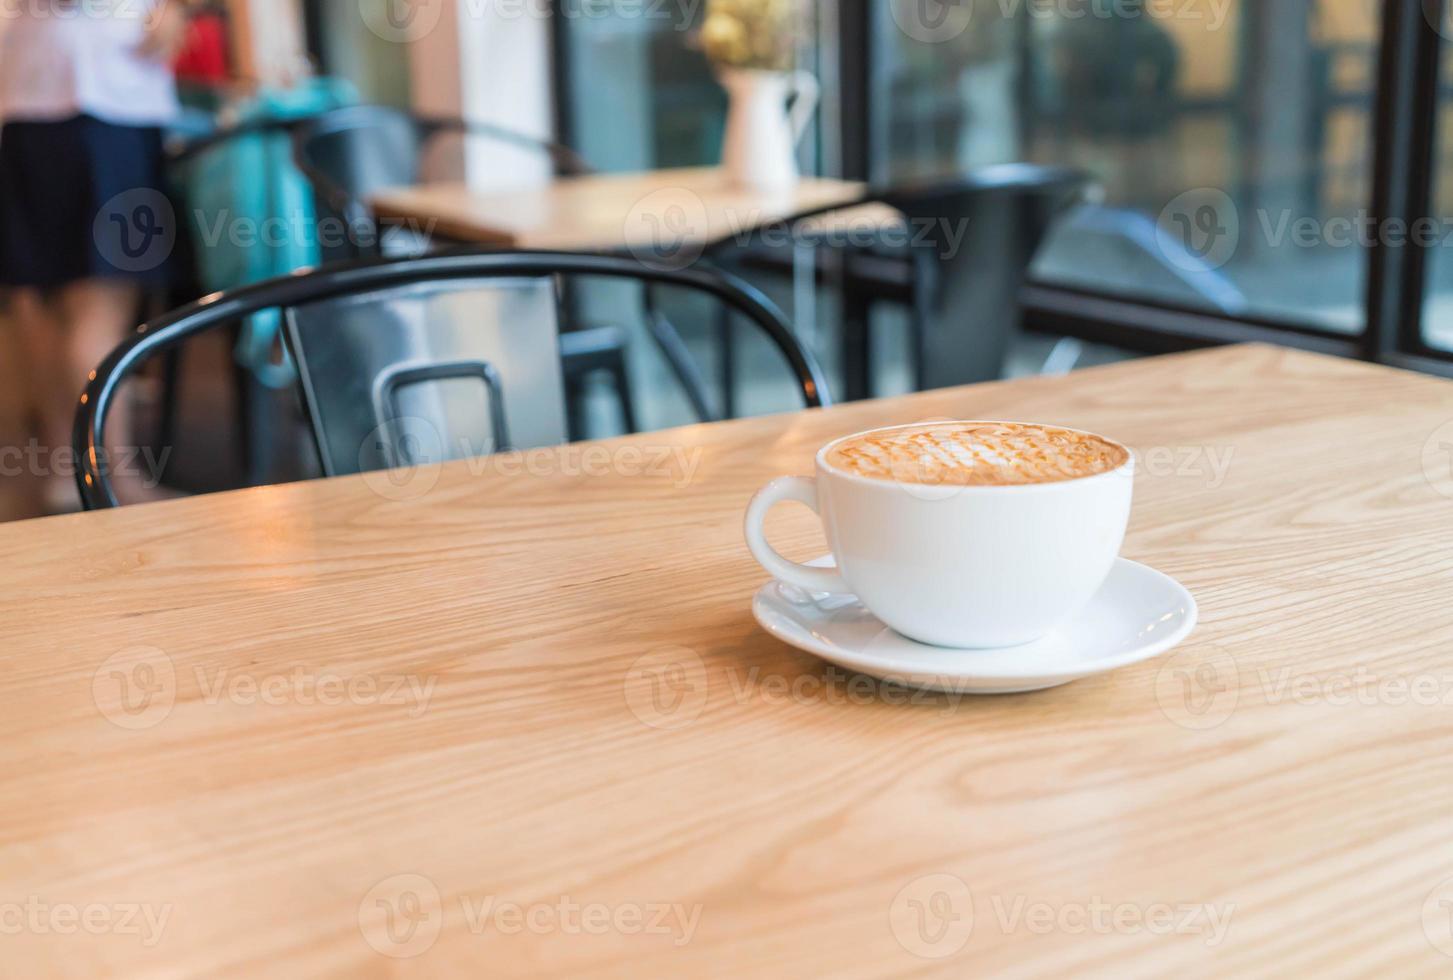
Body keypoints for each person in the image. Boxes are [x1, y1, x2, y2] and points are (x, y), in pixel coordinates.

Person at [0, 0, 193, 510]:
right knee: (100, 306)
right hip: (101, 106)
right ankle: (118, 479)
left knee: (45, 301)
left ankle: (66, 474)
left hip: (31, 106)